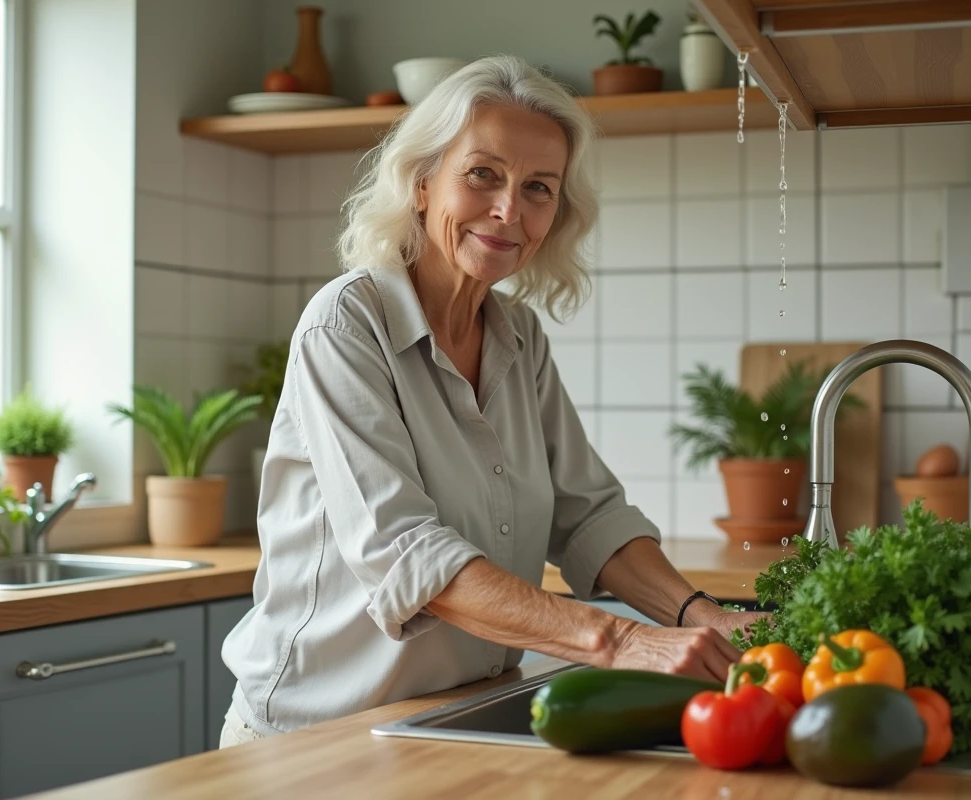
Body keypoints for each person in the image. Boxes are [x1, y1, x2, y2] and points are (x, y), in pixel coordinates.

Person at [219, 54, 766, 749]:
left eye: (539, 187)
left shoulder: (517, 336)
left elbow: (589, 514)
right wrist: (622, 640)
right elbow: (405, 555)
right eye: (483, 175)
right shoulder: (348, 323)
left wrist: (699, 614)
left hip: (440, 724)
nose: (510, 210)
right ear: (421, 183)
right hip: (311, 739)